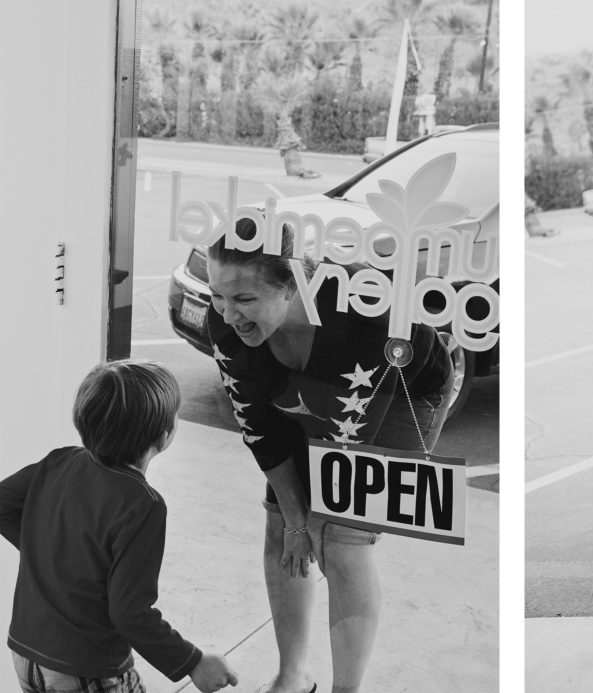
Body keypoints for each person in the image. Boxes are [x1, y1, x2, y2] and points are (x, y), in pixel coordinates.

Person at [206, 217, 455, 693]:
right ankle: (293, 676)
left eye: (243, 298)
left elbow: (346, 451)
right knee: (282, 528)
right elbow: (259, 427)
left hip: (403, 389)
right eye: (218, 295)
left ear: (293, 283)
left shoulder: (366, 318)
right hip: (317, 384)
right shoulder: (226, 322)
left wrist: (314, 522)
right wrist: (295, 521)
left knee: (341, 537)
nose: (228, 314)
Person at [0, 360, 238, 693]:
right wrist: (193, 662)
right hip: (87, 666)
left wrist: (50, 555)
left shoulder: (58, 462)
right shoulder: (143, 505)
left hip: (26, 655)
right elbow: (129, 612)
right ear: (164, 434)